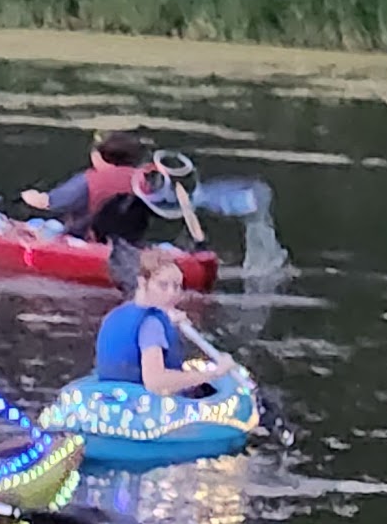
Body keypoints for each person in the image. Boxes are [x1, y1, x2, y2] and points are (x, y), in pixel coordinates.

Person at [94, 247, 235, 395]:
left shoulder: (114, 315)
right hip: (143, 408)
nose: (172, 294)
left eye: (177, 286)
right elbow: (155, 382)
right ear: (143, 283)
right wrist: (213, 374)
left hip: (112, 399)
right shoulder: (152, 325)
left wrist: (168, 319)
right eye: (163, 285)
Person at [21, 130, 151, 243]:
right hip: (131, 241)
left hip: (86, 240)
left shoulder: (88, 181)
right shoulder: (143, 181)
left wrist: (29, 195)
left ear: (97, 156)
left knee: (37, 226)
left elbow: (49, 202)